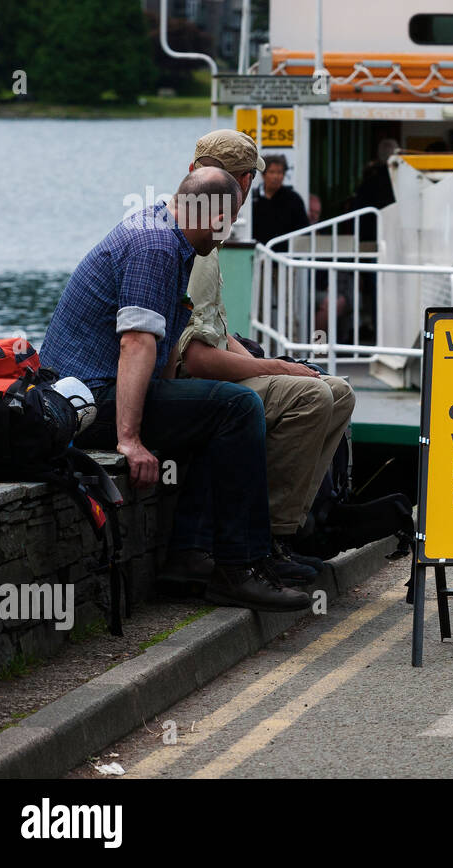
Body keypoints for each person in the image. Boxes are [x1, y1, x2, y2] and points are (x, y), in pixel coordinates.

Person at [40, 168, 309, 612]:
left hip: (92, 393)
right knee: (238, 407)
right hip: (86, 403)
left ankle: (189, 555)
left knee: (210, 410)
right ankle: (238, 568)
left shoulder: (166, 233)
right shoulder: (156, 246)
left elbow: (161, 345)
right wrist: (130, 440)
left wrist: (179, 403)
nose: (228, 234)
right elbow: (136, 342)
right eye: (231, 221)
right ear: (214, 214)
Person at [180, 130, 357, 585]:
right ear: (243, 182)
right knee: (312, 398)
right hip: (196, 385)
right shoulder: (199, 244)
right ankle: (268, 539)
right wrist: (278, 367)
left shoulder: (204, 228)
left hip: (211, 370)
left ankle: (288, 529)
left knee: (338, 392)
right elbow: (197, 359)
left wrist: (281, 364)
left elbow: (216, 331)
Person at [251, 153, 309, 245]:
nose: (276, 177)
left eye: (280, 172)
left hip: (284, 255)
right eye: (272, 172)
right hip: (258, 253)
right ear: (263, 175)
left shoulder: (294, 199)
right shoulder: (252, 199)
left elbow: (303, 230)